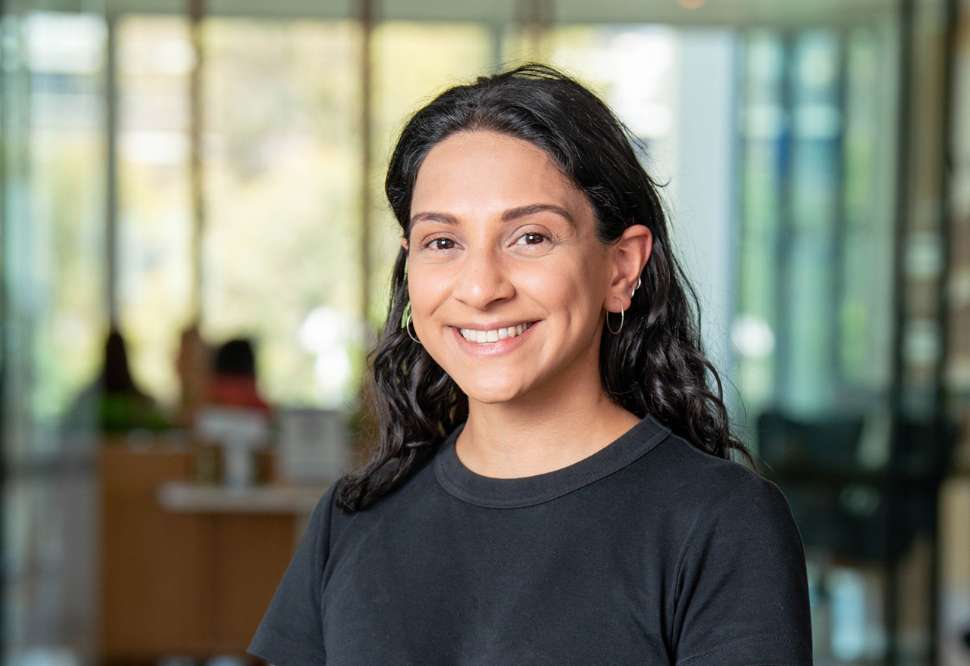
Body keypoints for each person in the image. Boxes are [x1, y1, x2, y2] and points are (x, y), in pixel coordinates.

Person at [248, 63, 813, 664]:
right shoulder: (351, 520)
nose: (481, 287)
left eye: (530, 238)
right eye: (444, 243)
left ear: (621, 268)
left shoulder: (721, 522)